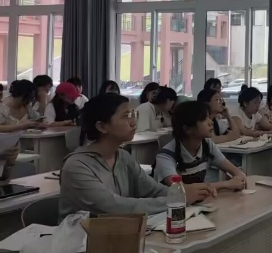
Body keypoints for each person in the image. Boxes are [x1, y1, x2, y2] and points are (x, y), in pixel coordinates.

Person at [59, 93, 213, 219]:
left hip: (118, 235)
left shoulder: (123, 156)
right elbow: (116, 207)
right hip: (81, 242)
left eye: (133, 114)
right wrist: (178, 199)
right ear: (102, 126)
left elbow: (153, 190)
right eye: (126, 116)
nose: (133, 122)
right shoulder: (77, 166)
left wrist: (185, 192)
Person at [154, 101, 247, 190]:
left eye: (209, 117)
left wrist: (239, 177)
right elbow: (179, 189)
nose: (211, 122)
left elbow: (236, 171)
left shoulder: (207, 144)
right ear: (187, 129)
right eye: (204, 119)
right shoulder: (165, 156)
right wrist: (226, 184)